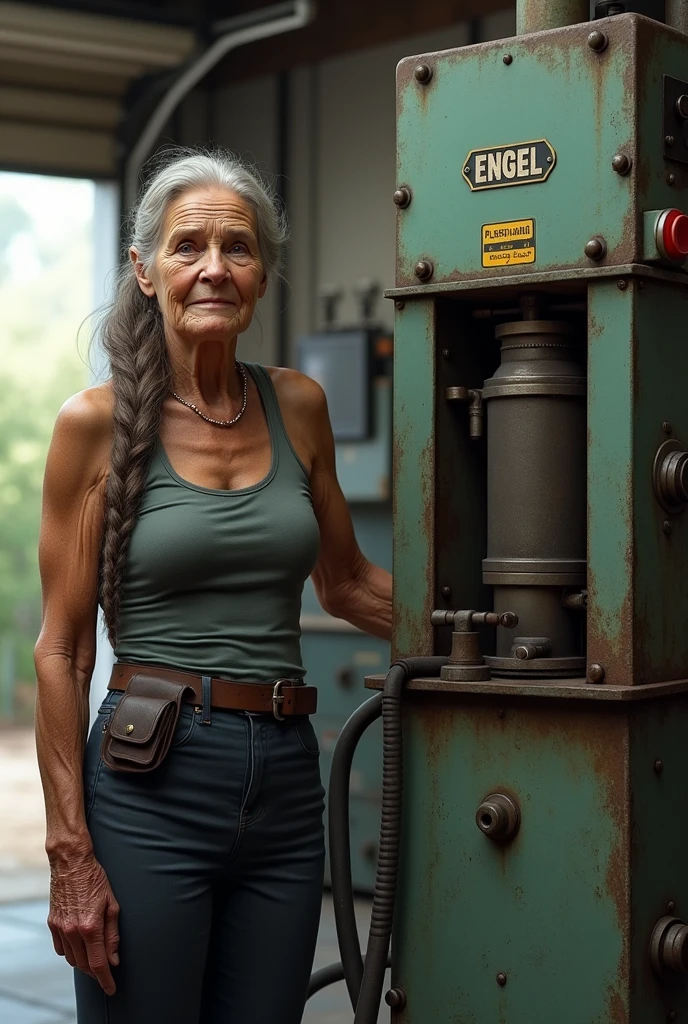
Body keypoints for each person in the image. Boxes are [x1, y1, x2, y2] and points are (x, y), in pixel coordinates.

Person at [33, 147, 393, 1024]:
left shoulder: (298, 406)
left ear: (263, 274)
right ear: (146, 271)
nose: (213, 268)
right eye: (188, 247)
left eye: (237, 248)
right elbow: (64, 649)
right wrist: (70, 852)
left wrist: (483, 629)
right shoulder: (95, 425)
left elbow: (345, 584)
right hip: (150, 775)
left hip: (283, 774)